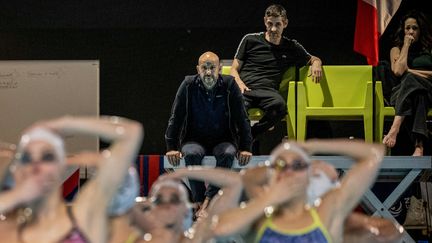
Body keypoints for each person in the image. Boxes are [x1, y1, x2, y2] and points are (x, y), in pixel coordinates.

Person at [208, 139, 384, 243]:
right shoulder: (260, 217)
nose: (289, 171)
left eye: (298, 165)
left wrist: (313, 146)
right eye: (282, 165)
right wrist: (270, 197)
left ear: (309, 174)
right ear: (271, 173)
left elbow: (374, 154)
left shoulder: (327, 211)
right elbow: (219, 229)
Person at [2, 116, 142, 243]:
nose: (36, 166)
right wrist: (17, 195)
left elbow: (131, 133)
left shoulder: (84, 215)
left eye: (47, 157)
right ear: (18, 172)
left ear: (62, 166)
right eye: (27, 159)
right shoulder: (9, 230)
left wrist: (64, 124)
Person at [165, 51, 253, 211]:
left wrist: (246, 147)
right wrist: (171, 147)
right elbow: (176, 117)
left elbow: (242, 118)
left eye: (212, 67)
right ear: (198, 69)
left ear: (219, 69)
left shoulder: (230, 85)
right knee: (191, 154)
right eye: (204, 67)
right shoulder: (188, 85)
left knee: (227, 154)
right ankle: (200, 200)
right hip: (194, 140)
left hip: (223, 140)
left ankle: (207, 201)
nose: (208, 72)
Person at [230, 4, 322, 139]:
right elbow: (233, 69)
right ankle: (238, 140)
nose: (273, 29)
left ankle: (250, 135)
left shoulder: (291, 46)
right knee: (235, 106)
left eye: (277, 24)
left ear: (285, 23)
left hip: (268, 92)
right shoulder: (250, 39)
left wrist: (317, 64)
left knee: (279, 106)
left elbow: (313, 58)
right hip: (246, 88)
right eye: (269, 24)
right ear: (264, 22)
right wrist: (239, 83)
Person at [382, 10, 432, 156]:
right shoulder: (396, 49)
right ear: (403, 30)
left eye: (414, 28)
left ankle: (395, 127)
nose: (411, 31)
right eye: (407, 28)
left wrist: (410, 72)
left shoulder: (429, 50)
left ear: (420, 30)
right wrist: (406, 45)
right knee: (418, 95)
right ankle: (419, 146)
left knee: (412, 81)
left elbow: (404, 71)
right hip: (401, 93)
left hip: (429, 90)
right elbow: (398, 71)